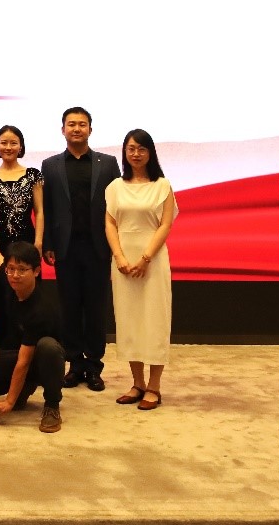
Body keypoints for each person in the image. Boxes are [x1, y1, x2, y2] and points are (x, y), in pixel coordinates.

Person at [40, 106, 121, 391]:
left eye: (82, 124)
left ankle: (94, 366)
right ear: (63, 129)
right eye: (71, 124)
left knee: (96, 308)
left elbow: (117, 207)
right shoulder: (50, 165)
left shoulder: (108, 164)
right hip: (66, 249)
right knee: (70, 307)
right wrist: (48, 243)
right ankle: (74, 364)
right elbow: (47, 208)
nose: (76, 129)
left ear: (90, 129)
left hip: (98, 246)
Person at [105, 128, 178, 411]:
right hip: (123, 263)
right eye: (131, 149)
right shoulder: (115, 186)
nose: (136, 154)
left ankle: (154, 386)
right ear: (124, 152)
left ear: (150, 153)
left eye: (141, 149)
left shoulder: (162, 185)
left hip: (153, 261)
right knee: (129, 321)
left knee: (155, 320)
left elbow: (165, 225)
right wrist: (120, 257)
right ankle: (137, 383)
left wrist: (145, 258)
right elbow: (110, 223)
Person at [0, 241, 67, 434]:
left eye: (22, 270)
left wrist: (9, 401)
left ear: (36, 271)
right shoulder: (12, 282)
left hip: (45, 362)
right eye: (11, 269)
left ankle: (52, 405)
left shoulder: (41, 309)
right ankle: (24, 387)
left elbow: (23, 362)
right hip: (20, 352)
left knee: (47, 347)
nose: (15, 275)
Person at [0, 125, 45, 346]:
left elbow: (40, 211)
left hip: (27, 241)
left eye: (13, 143)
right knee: (0, 295)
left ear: (21, 146)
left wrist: (38, 242)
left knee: (28, 295)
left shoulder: (33, 175)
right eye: (4, 143)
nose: (8, 147)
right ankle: (2, 346)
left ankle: (29, 345)